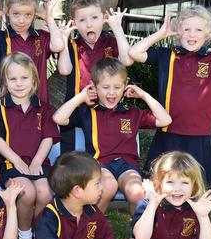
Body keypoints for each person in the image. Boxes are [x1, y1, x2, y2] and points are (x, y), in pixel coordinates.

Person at [128, 5, 211, 185]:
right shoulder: (168, 55)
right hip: (169, 129)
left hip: (199, 132)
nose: (192, 34)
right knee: (162, 179)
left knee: (196, 183)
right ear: (178, 32)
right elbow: (134, 53)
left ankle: (193, 210)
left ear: (208, 34)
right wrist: (161, 34)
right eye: (186, 29)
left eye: (198, 30)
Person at [52, 58, 171, 213]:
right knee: (108, 187)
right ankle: (91, 228)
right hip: (99, 164)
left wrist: (143, 95)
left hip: (127, 166)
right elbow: (58, 118)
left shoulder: (132, 113)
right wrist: (81, 97)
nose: (112, 92)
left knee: (137, 193)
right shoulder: (88, 112)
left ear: (125, 86)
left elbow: (165, 120)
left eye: (117, 87)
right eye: (105, 87)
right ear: (94, 87)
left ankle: (140, 232)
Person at [0, 52, 60, 239]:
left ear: (34, 80)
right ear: (5, 82)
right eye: (13, 79)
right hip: (12, 165)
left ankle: (37, 232)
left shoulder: (43, 108)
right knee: (26, 192)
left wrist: (37, 160)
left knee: (45, 193)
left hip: (38, 165)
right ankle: (24, 235)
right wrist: (16, 160)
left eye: (24, 78)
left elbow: (48, 137)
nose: (19, 83)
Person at [57, 0, 131, 153]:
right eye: (82, 20)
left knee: (105, 155)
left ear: (104, 18)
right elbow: (64, 69)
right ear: (74, 23)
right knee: (70, 157)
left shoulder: (111, 41)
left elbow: (127, 60)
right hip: (77, 108)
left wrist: (117, 28)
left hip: (106, 107)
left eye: (94, 18)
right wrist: (63, 39)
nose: (89, 24)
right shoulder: (73, 46)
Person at [0, 0, 64, 103]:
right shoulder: (2, 38)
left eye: (28, 15)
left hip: (38, 107)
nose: (21, 20)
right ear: (7, 12)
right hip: (9, 108)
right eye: (16, 14)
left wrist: (49, 18)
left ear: (34, 14)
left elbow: (58, 45)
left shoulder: (41, 37)